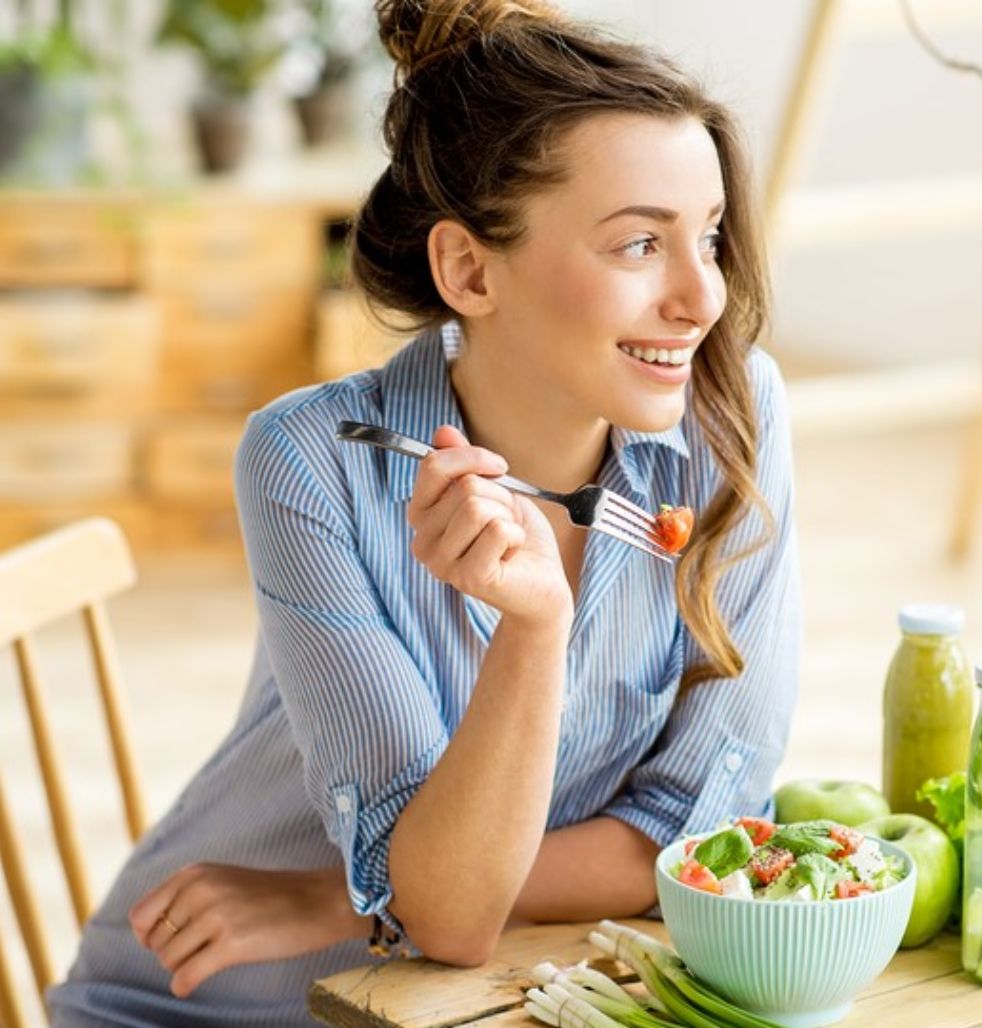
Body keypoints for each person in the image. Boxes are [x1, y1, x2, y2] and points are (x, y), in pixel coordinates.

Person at [48, 1, 800, 1024]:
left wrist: (345, 899)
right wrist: (534, 627)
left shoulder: (733, 414)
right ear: (468, 270)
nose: (699, 297)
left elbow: (698, 830)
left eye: (706, 238)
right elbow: (448, 913)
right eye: (637, 246)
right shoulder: (313, 459)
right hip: (212, 1004)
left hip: (470, 996)